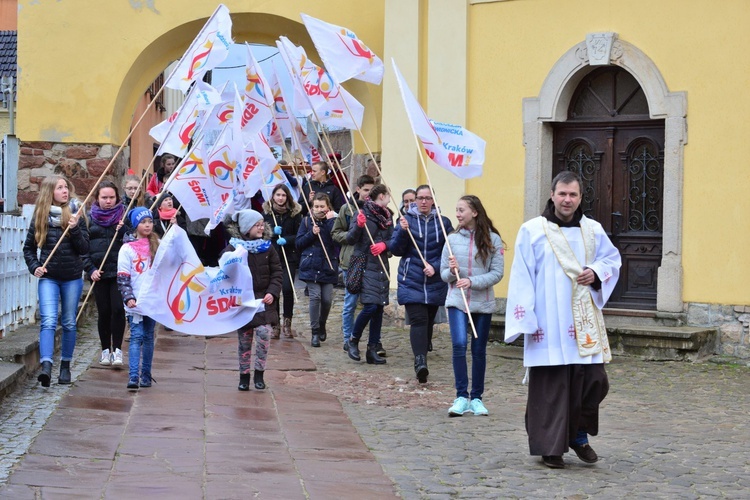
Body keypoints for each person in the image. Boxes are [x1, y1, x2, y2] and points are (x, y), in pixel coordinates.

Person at [504, 171, 621, 469]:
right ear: (552, 194)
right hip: (547, 322)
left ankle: (578, 435)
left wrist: (596, 273)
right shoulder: (532, 230)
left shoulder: (592, 229)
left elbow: (612, 260)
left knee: (594, 380)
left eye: (573, 195)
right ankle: (550, 447)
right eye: (562, 194)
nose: (567, 200)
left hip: (583, 322)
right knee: (551, 386)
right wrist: (525, 318)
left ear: (581, 197)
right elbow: (522, 275)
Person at [440, 195, 504, 417]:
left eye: (461, 210)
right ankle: (460, 396)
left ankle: (476, 398)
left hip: (482, 302)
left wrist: (473, 281)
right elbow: (443, 275)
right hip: (457, 300)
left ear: (474, 212)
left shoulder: (493, 240)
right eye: (456, 210)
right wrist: (451, 270)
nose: (457, 214)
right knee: (459, 344)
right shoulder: (451, 239)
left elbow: (497, 273)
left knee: (478, 350)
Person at [23, 176, 89, 387]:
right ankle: (46, 366)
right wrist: (35, 267)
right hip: (49, 277)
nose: (65, 191)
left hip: (71, 277)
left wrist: (76, 228)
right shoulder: (41, 216)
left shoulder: (77, 214)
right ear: (49, 192)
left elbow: (85, 249)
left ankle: (65, 366)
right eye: (60, 188)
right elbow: (29, 249)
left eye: (66, 187)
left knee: (69, 321)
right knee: (49, 320)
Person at [390, 185, 453, 383]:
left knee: (429, 321)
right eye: (420, 198)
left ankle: (423, 348)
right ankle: (420, 361)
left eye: (427, 198)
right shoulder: (405, 220)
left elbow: (449, 249)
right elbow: (396, 249)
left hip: (435, 280)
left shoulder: (443, 223)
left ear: (433, 200)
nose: (423, 201)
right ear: (415, 200)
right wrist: (402, 231)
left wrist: (435, 266)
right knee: (418, 320)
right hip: (412, 278)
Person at [224, 209, 283, 391]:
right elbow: (224, 271)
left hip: (263, 301)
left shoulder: (268, 247)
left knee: (264, 334)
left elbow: (277, 272)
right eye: (256, 225)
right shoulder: (234, 248)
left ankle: (259, 373)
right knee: (245, 340)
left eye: (261, 224)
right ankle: (244, 375)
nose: (260, 227)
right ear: (246, 228)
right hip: (244, 301)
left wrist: (272, 292)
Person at [346, 184, 393, 365]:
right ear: (381, 196)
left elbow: (393, 239)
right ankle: (353, 339)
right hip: (365, 265)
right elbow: (350, 239)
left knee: (379, 309)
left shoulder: (388, 216)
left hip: (381, 265)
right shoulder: (362, 213)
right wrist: (358, 225)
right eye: (388, 195)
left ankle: (372, 349)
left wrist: (385, 245)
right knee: (371, 306)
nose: (390, 199)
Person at [82, 180, 127, 367]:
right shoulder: (88, 219)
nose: (108, 201)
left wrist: (124, 229)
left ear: (117, 198)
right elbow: (82, 249)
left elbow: (133, 242)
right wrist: (90, 269)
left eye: (111, 197)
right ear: (97, 198)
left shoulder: (124, 217)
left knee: (118, 309)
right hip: (99, 274)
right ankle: (105, 350)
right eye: (104, 197)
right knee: (104, 312)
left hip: (118, 272)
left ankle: (117, 350)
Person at [117, 207, 160, 390]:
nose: (147, 225)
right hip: (135, 300)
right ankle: (133, 375)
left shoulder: (158, 244)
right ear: (136, 225)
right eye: (143, 222)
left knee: (149, 336)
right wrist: (128, 298)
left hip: (152, 300)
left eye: (150, 221)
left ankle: (146, 374)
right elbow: (123, 277)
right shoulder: (127, 249)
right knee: (136, 336)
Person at [332, 174, 375, 351]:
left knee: (372, 305)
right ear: (358, 189)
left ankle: (372, 341)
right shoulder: (347, 209)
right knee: (350, 303)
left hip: (371, 263)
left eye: (372, 191)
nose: (368, 194)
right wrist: (350, 237)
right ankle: (347, 337)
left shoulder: (376, 210)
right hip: (351, 261)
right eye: (366, 190)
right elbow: (336, 232)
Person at [296, 193, 339, 347]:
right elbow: (299, 243)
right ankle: (314, 332)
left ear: (328, 207)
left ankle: (322, 324)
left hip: (328, 265)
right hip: (311, 264)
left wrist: (330, 222)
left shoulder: (333, 221)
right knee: (315, 297)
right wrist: (311, 234)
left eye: (322, 206)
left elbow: (337, 240)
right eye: (316, 206)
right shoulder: (307, 221)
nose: (319, 209)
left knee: (327, 299)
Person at [262, 183, 302, 339]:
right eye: (278, 195)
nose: (280, 198)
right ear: (273, 196)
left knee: (287, 288)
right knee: (274, 292)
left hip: (288, 256)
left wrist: (287, 239)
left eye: (283, 195)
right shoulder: (266, 213)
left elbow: (299, 235)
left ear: (288, 197)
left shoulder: (294, 214)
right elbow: (260, 233)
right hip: (271, 257)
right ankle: (275, 324)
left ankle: (287, 322)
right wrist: (272, 233)